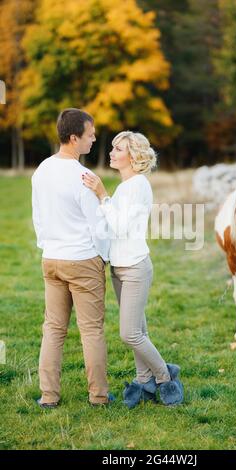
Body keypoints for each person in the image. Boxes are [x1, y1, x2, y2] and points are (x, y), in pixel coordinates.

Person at [82, 131, 184, 408]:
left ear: (134, 156)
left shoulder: (138, 184)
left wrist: (102, 196)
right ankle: (143, 381)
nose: (112, 152)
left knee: (129, 334)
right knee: (139, 330)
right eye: (112, 148)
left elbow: (120, 226)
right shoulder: (126, 185)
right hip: (119, 267)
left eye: (118, 149)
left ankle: (165, 377)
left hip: (136, 267)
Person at [32, 108, 113, 408]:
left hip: (51, 259)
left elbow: (38, 217)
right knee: (91, 330)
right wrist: (102, 258)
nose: (93, 140)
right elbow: (98, 226)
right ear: (74, 137)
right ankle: (99, 396)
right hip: (82, 260)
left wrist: (48, 246)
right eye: (90, 135)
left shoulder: (41, 170)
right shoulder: (85, 177)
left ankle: (49, 396)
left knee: (53, 328)